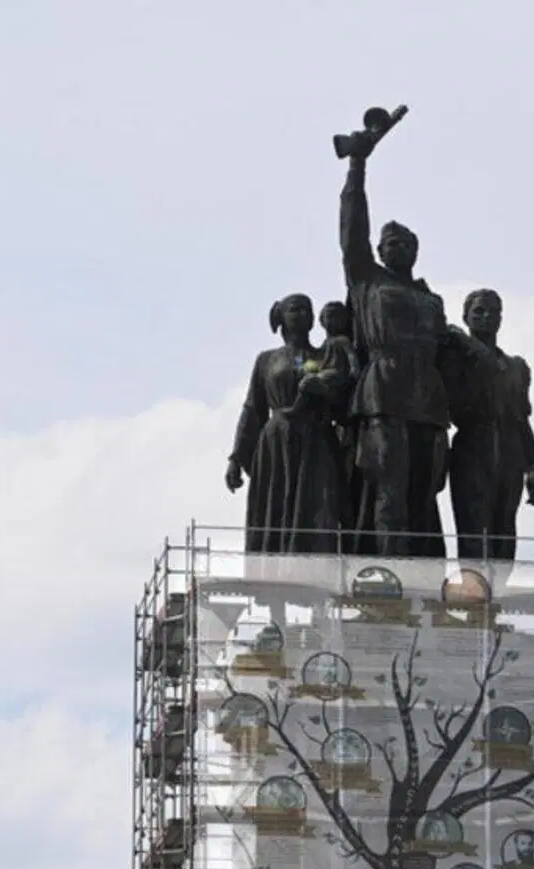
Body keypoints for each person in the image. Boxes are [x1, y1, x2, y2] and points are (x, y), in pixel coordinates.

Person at [336, 122, 450, 557]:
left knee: (425, 491)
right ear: (380, 251)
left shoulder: (430, 298)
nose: (398, 247)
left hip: (428, 396)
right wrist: (357, 165)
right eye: (390, 242)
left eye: (405, 242)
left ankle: (423, 575)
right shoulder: (367, 280)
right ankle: (387, 576)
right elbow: (351, 230)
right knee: (390, 486)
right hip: (383, 390)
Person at [226, 293, 351, 554]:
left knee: (320, 506)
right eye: (295, 309)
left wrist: (324, 390)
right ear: (281, 317)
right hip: (277, 443)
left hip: (316, 440)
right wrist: (237, 458)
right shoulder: (266, 360)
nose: (303, 314)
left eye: (307, 309)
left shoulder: (326, 354)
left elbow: (344, 402)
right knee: (276, 507)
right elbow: (253, 408)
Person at [441, 289, 534, 563]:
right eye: (479, 312)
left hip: (511, 453)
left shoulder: (516, 367)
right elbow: (455, 406)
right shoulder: (457, 358)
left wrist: (533, 469)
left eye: (494, 312)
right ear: (466, 317)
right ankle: (475, 596)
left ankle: (497, 598)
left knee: (505, 532)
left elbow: (523, 420)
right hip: (473, 448)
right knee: (474, 530)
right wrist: (471, 349)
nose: (487, 317)